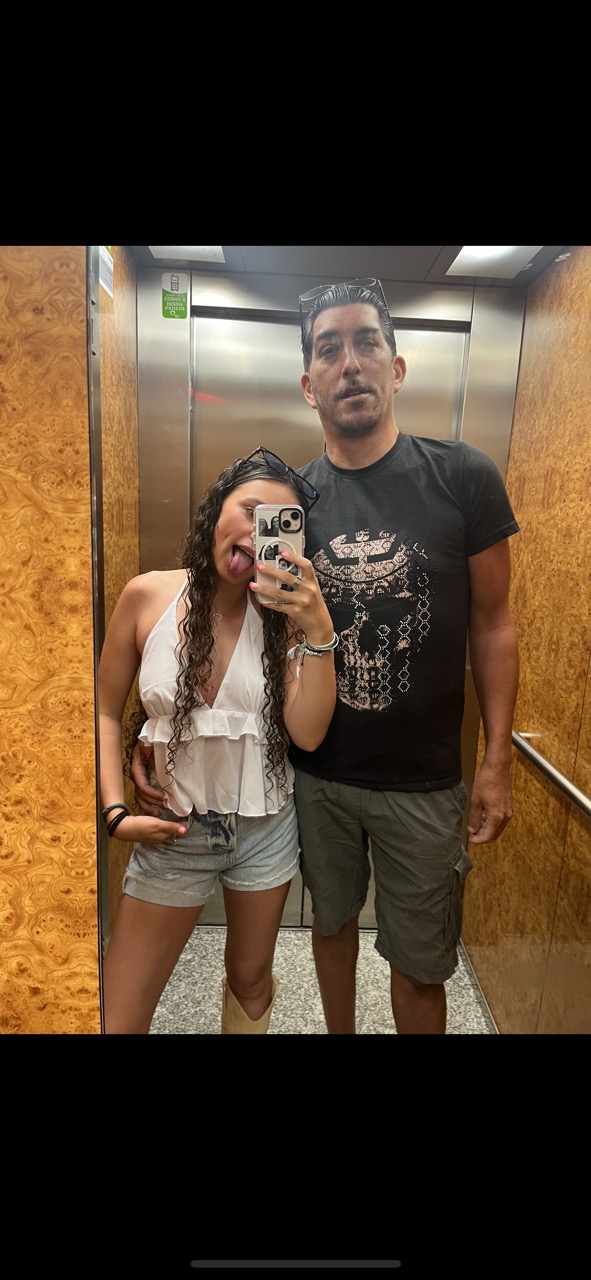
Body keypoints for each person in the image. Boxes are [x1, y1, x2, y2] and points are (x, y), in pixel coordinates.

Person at [132, 277, 520, 1036]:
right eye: (329, 348)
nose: (350, 363)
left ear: (396, 368)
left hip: (425, 779)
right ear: (309, 384)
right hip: (313, 776)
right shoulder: (291, 505)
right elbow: (221, 626)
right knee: (330, 932)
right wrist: (152, 735)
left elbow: (495, 623)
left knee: (421, 966)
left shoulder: (463, 477)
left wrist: (497, 758)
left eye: (367, 342)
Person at [99, 448, 337, 1034]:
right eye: (250, 511)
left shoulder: (283, 615)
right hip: (174, 829)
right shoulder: (147, 595)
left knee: (250, 979)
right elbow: (104, 711)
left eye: (276, 525)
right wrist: (113, 813)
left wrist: (318, 628)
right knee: (120, 1011)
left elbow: (307, 733)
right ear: (216, 510)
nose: (257, 533)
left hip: (265, 828)